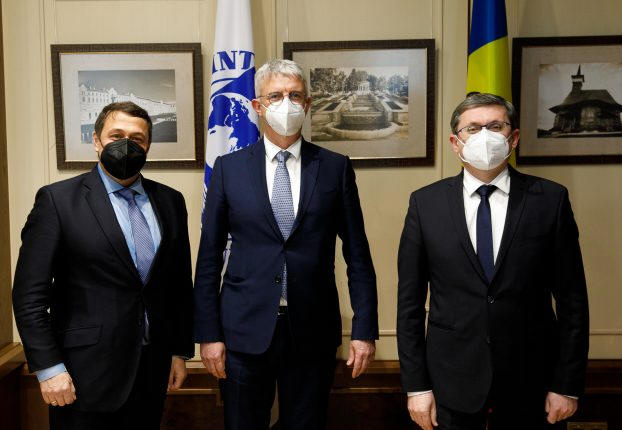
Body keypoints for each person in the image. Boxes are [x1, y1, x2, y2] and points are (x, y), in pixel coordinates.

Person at [194, 59, 379, 429]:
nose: (286, 103)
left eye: (295, 96)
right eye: (275, 96)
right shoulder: (229, 169)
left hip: (312, 330)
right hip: (243, 331)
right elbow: (209, 257)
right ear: (257, 106)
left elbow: (358, 255)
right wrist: (208, 334)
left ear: (307, 104)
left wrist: (364, 330)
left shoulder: (335, 167)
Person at [397, 93, 589, 430]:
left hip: (533, 382)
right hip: (451, 383)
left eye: (496, 126)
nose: (484, 136)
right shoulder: (425, 204)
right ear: (455, 143)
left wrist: (566, 384)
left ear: (513, 138)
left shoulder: (550, 200)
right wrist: (417, 386)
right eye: (473, 128)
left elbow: (573, 301)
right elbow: (409, 305)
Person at [12, 101, 194, 429]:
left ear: (148, 146)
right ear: (97, 141)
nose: (126, 145)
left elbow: (178, 284)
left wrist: (179, 351)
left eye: (137, 139)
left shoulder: (170, 200)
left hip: (152, 370)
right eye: (116, 136)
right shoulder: (57, 201)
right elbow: (29, 295)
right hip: (81, 375)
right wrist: (49, 368)